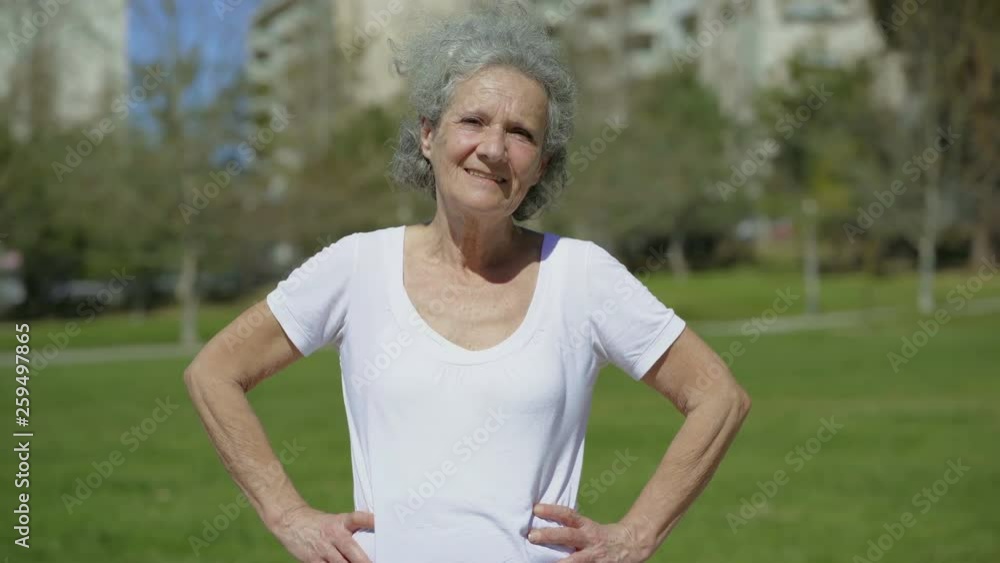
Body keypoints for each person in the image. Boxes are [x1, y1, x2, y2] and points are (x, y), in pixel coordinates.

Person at [184, 3, 751, 562]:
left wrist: (637, 535)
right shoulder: (357, 266)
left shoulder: (580, 275)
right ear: (428, 135)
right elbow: (215, 372)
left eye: (521, 133)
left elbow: (718, 397)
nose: (494, 149)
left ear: (541, 166)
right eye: (473, 121)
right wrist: (286, 514)